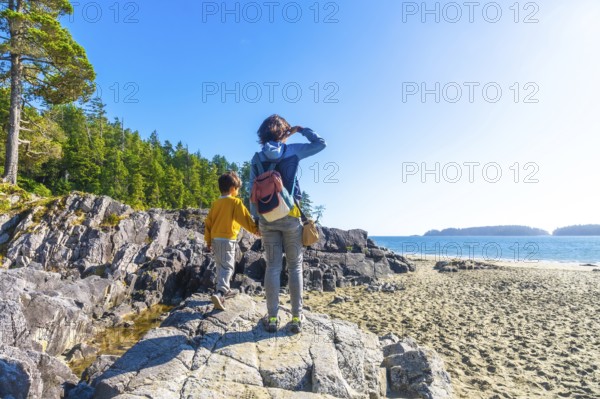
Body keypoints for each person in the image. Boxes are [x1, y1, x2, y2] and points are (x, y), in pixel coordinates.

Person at [249, 114, 326, 333]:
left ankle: (272, 319)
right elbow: (321, 144)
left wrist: (256, 220)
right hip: (291, 215)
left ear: (262, 135)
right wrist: (301, 130)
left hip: (266, 219)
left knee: (272, 267)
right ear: (284, 132)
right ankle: (296, 318)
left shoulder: (257, 157)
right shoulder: (292, 151)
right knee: (295, 267)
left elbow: (250, 192)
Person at [204, 171, 259, 311]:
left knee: (220, 265)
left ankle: (223, 289)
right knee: (228, 267)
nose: (238, 191)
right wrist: (256, 230)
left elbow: (208, 223)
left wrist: (208, 241)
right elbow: (245, 219)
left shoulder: (215, 203)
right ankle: (220, 293)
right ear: (233, 188)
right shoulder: (235, 202)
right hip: (227, 239)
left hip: (215, 239)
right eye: (238, 189)